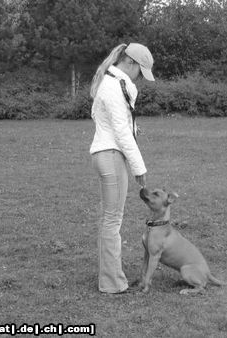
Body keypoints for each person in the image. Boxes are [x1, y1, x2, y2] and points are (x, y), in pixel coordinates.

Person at [89, 43, 155, 294]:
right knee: (112, 220)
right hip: (111, 155)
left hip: (107, 153)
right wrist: (139, 166)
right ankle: (112, 282)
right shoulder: (113, 86)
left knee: (110, 219)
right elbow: (119, 131)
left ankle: (110, 278)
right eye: (141, 70)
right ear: (131, 63)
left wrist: (133, 129)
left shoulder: (111, 82)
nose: (140, 76)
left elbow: (112, 122)